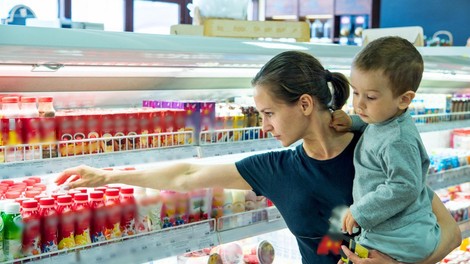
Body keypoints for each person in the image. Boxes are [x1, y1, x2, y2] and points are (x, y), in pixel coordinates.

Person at [55, 51, 460, 264]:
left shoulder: (373, 149)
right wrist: (107, 176)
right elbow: (188, 172)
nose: (264, 125)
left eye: (268, 113)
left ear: (304, 104)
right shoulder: (275, 169)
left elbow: (449, 231)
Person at [332, 36, 460, 263]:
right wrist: (353, 122)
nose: (359, 104)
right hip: (397, 229)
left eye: (370, 96)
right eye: (356, 92)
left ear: (404, 99)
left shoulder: (398, 141)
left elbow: (405, 185)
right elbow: (377, 126)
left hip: (401, 237)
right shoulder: (386, 119)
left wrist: (361, 211)